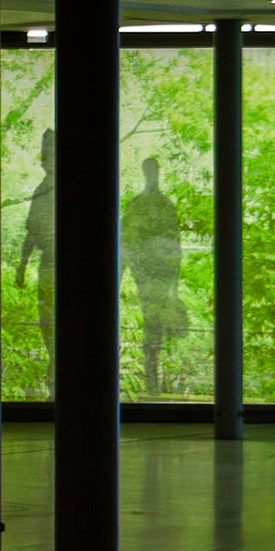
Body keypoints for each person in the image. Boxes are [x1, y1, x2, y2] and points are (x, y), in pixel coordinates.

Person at [122, 154, 185, 396]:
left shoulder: (164, 205)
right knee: (151, 321)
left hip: (161, 275)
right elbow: (125, 242)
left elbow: (174, 244)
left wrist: (173, 284)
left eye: (154, 170)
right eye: (148, 169)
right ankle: (151, 378)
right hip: (145, 275)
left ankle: (153, 378)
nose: (152, 174)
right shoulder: (137, 205)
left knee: (156, 322)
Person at [15, 129, 56, 393]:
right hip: (48, 265)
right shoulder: (42, 189)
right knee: (48, 320)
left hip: (59, 266)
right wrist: (22, 264)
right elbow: (32, 232)